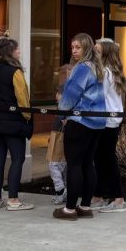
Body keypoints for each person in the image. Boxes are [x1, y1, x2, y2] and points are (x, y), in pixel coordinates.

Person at [55, 33, 106, 220]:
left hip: (80, 121)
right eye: (73, 47)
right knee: (88, 164)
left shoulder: (82, 68)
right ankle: (85, 207)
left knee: (75, 165)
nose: (74, 51)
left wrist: (62, 114)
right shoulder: (97, 67)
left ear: (86, 48)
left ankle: (69, 209)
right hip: (97, 122)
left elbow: (70, 97)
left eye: (78, 47)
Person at [0, 37, 34, 211]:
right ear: (11, 52)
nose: (19, 52)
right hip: (13, 123)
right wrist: (27, 117)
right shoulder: (15, 72)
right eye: (17, 49)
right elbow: (23, 99)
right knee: (17, 159)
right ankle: (13, 200)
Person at [90, 38, 126, 212]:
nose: (93, 54)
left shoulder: (105, 73)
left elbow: (99, 96)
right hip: (113, 119)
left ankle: (118, 199)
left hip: (106, 121)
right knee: (101, 159)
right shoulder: (113, 71)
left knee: (106, 159)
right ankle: (99, 195)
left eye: (97, 51)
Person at [49, 37, 83, 205]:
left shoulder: (80, 85)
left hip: (75, 126)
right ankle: (61, 190)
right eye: (73, 47)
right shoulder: (64, 87)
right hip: (60, 128)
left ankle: (69, 193)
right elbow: (62, 103)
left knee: (70, 163)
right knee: (56, 163)